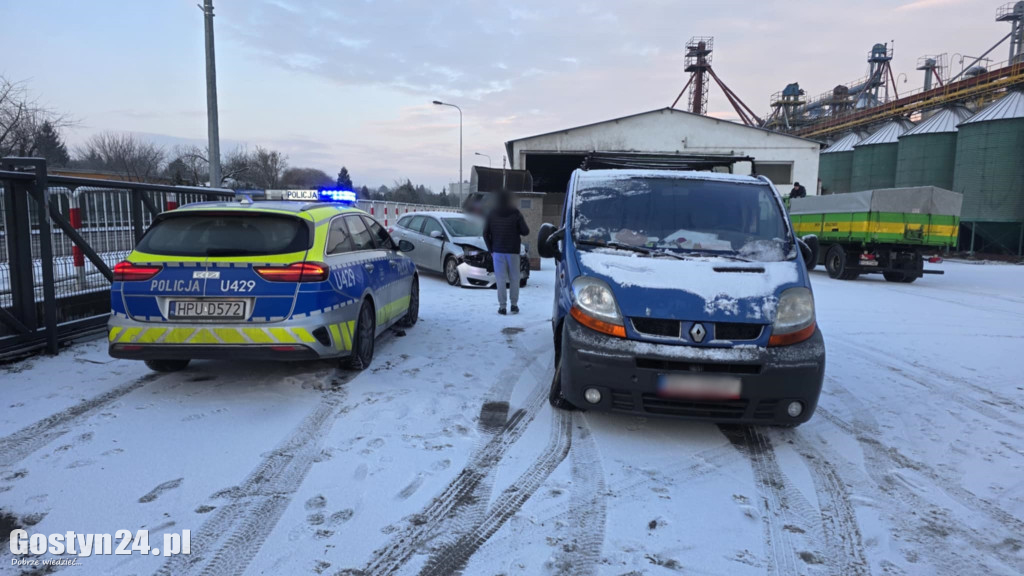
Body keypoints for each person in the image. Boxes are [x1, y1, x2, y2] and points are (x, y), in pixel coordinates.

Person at [483, 192, 529, 315]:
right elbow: (525, 231)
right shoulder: (516, 213)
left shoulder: (491, 213)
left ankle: (502, 307)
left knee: (500, 280)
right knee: (514, 279)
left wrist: (491, 250)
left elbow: (485, 233)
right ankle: (514, 305)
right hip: (513, 252)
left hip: (497, 252)